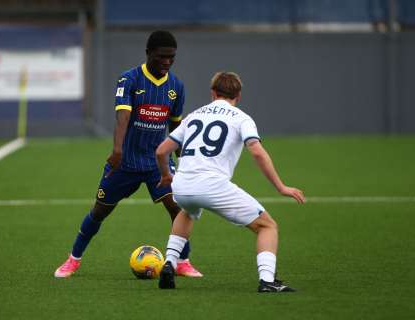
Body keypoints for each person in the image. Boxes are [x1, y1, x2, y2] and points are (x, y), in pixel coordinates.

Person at [54, 30, 202, 278]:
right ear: (148, 53)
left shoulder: (176, 86)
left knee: (177, 208)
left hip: (158, 163)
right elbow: (122, 115)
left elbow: (176, 127)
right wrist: (117, 150)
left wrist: (183, 160)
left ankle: (182, 261)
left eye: (171, 57)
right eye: (161, 56)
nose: (167, 62)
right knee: (99, 211)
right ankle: (73, 260)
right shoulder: (130, 79)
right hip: (125, 162)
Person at [155, 71, 305, 292]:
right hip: (212, 185)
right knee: (267, 226)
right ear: (239, 96)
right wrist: (281, 187)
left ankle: (169, 262)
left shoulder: (194, 115)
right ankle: (267, 280)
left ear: (213, 93)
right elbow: (256, 151)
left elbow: (161, 151)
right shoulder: (241, 118)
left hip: (182, 184)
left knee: (186, 212)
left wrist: (166, 175)